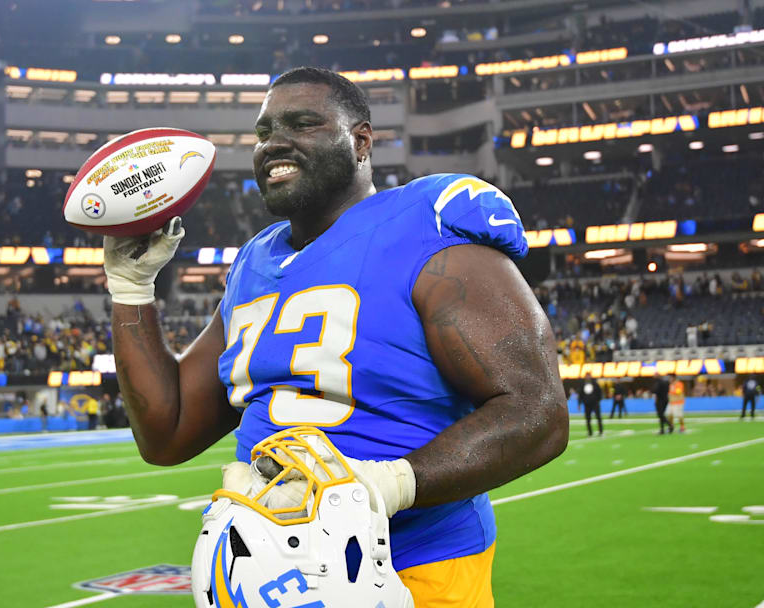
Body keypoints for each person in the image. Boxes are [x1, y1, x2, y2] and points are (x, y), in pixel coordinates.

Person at [104, 67, 568, 606]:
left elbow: (537, 412)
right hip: (262, 571)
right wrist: (131, 288)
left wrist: (391, 485)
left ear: (361, 141)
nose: (275, 143)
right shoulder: (255, 262)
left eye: (302, 124)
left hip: (413, 571)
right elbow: (168, 433)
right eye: (264, 132)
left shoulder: (428, 228)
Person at [581, 373, 603, 437]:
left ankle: (600, 431)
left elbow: (599, 392)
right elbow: (581, 394)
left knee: (598, 417)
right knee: (588, 419)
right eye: (586, 376)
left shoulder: (595, 384)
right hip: (587, 404)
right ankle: (590, 432)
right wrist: (581, 402)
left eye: (588, 376)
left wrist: (598, 400)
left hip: (595, 403)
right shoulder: (583, 384)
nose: (588, 377)